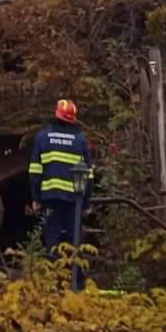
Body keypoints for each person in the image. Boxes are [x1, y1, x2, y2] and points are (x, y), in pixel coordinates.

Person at [29, 99, 93, 255]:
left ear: (56, 115)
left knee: (52, 240)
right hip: (74, 200)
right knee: (75, 242)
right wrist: (85, 204)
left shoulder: (42, 137)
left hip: (50, 198)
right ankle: (76, 277)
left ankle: (54, 275)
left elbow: (35, 171)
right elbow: (88, 175)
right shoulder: (80, 140)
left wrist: (36, 198)